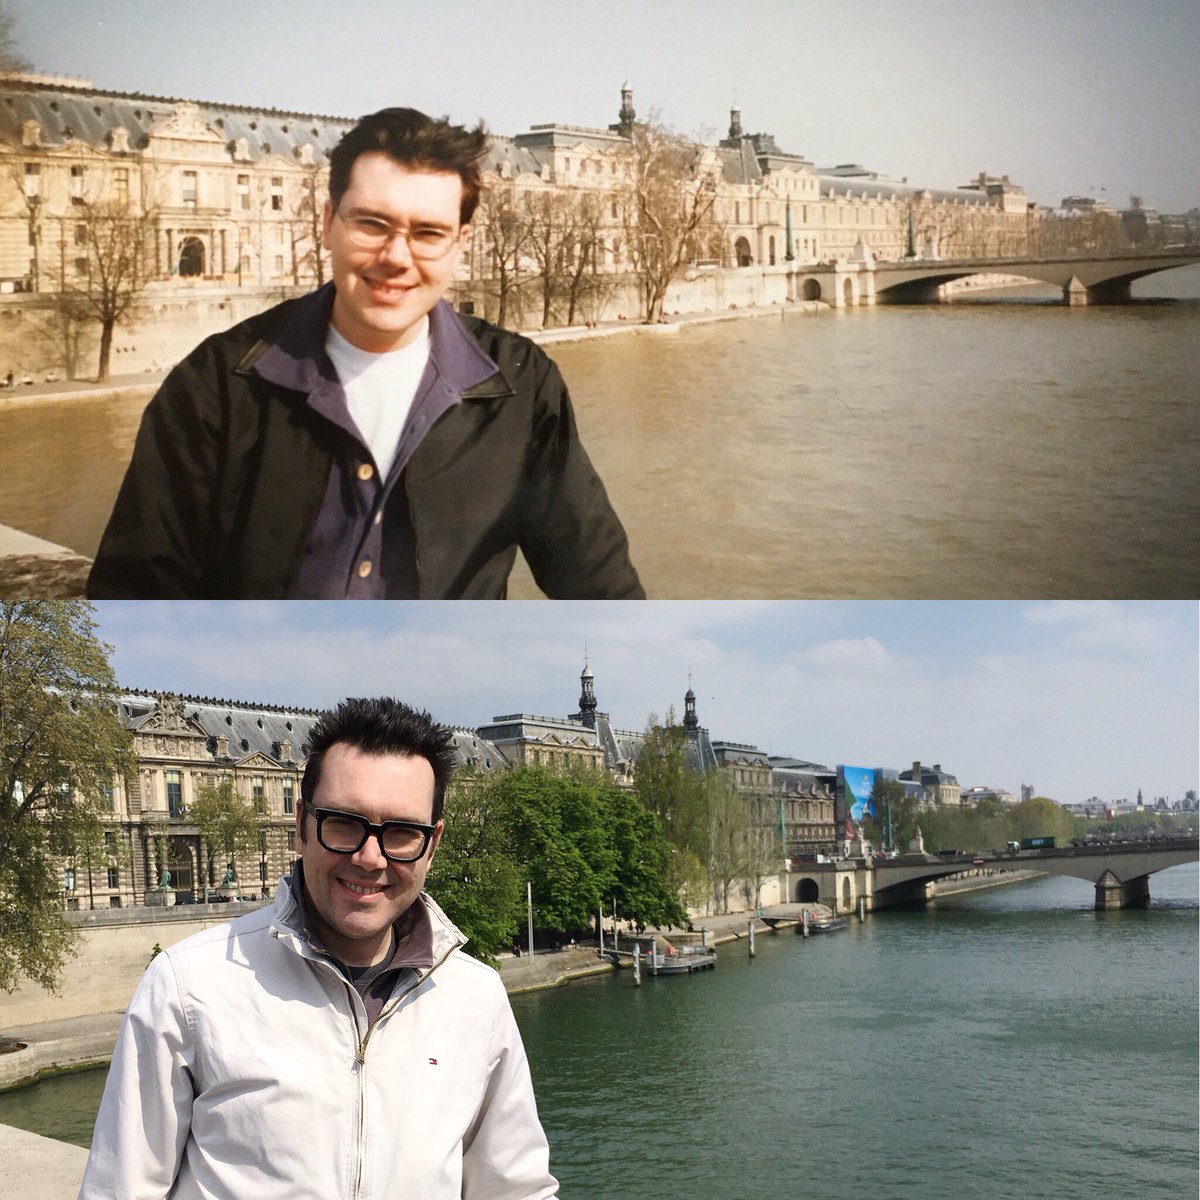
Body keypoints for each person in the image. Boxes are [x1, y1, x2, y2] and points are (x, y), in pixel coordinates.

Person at [87, 107, 642, 600]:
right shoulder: (217, 384)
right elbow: (138, 592)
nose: (396, 256)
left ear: (460, 246)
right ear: (327, 224)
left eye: (427, 232)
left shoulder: (524, 388)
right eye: (373, 223)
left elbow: (598, 581)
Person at [78, 697, 558, 1199]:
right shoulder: (186, 986)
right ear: (303, 825)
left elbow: (516, 1190)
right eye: (344, 824)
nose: (370, 858)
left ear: (431, 845)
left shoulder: (477, 998)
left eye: (400, 833)